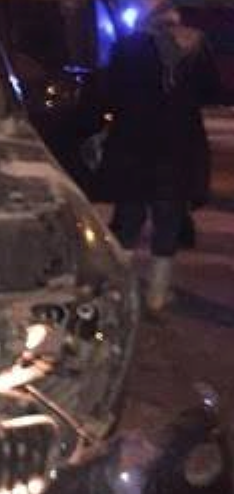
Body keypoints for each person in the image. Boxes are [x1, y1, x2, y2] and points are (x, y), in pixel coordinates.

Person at [104, 0, 220, 312]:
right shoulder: (195, 45)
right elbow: (213, 91)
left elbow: (111, 91)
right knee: (167, 221)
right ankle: (157, 295)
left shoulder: (129, 45)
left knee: (128, 219)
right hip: (178, 146)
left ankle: (119, 292)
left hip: (134, 143)